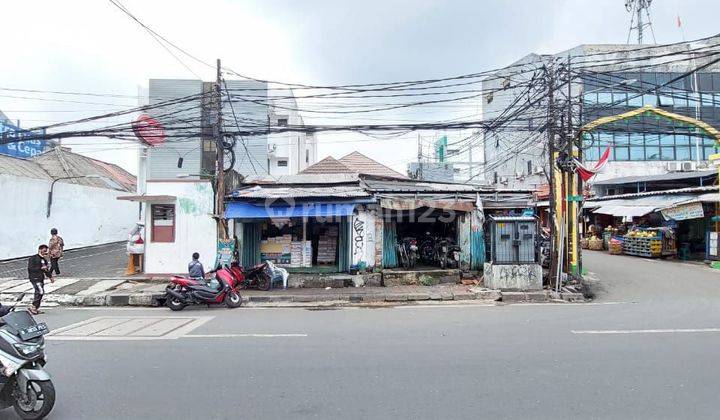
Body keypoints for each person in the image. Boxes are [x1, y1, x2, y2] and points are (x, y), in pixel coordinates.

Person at [27, 244, 54, 315]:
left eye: (46, 251)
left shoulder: (44, 260)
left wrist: (50, 277)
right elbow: (30, 268)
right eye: (44, 251)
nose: (45, 252)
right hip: (34, 277)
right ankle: (33, 306)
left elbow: (46, 269)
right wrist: (40, 268)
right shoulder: (33, 258)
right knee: (40, 291)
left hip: (40, 278)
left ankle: (35, 307)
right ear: (40, 250)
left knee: (40, 291)